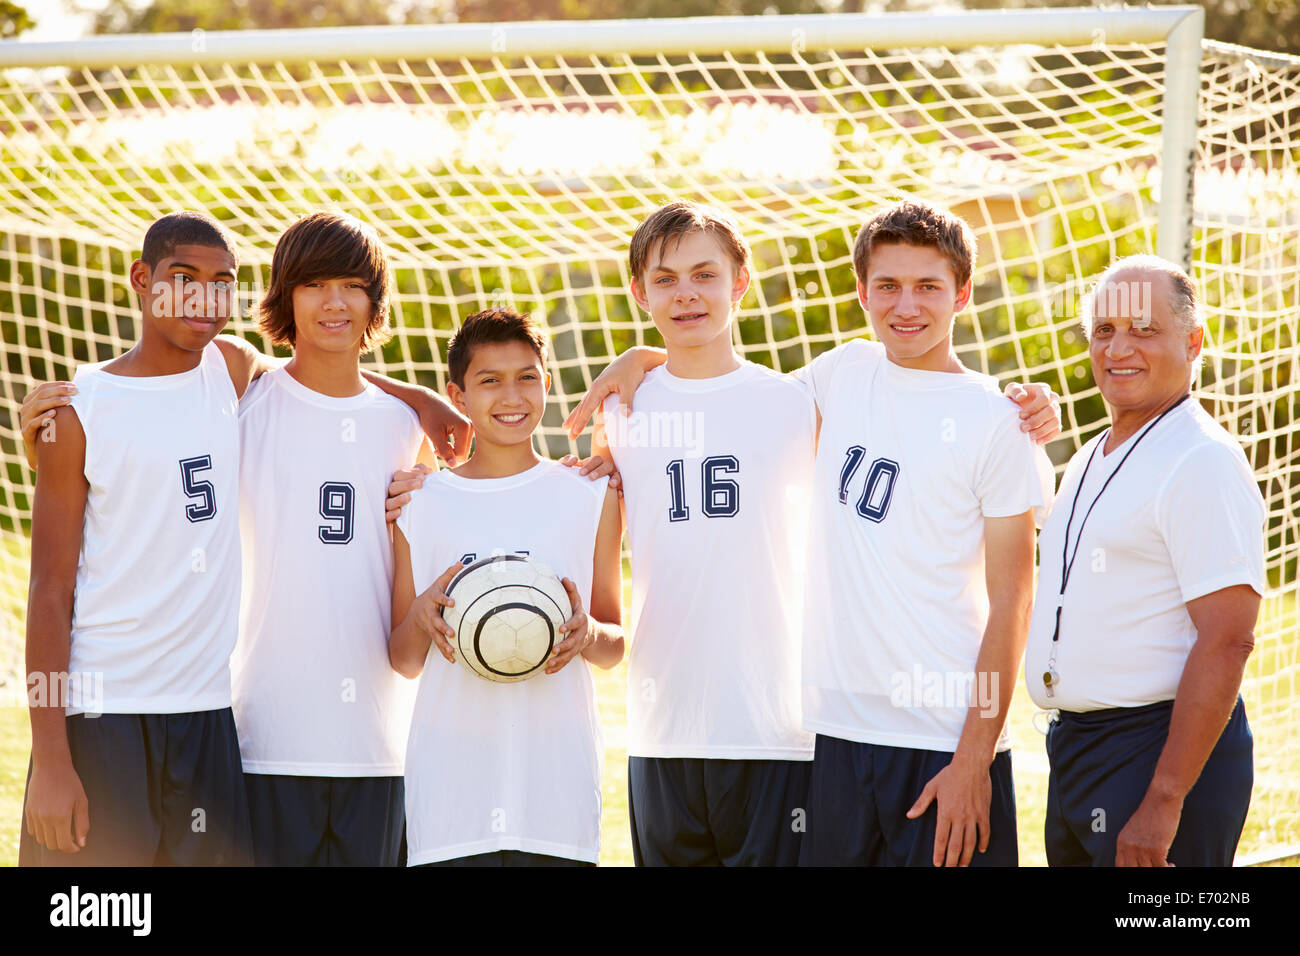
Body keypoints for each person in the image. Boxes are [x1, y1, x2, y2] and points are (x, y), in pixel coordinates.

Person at [565, 199, 1060, 867]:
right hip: (838, 737)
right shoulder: (838, 376)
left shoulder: (995, 419)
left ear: (963, 293)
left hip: (941, 736)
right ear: (861, 292)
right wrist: (639, 356)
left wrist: (975, 758)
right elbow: (715, 376)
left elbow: (1016, 602)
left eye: (927, 287)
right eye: (887, 285)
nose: (905, 305)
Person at [17, 210, 470, 866]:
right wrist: (51, 761)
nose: (203, 296)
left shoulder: (230, 371)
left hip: (207, 721)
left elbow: (327, 382)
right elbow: (47, 590)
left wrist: (421, 399)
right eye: (183, 278)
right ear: (142, 281)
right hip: (104, 714)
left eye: (221, 281)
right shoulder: (88, 408)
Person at [1024, 255, 1264, 867]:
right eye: (1104, 330)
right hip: (1079, 751)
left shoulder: (1201, 460)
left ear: (1193, 341)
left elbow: (1229, 639)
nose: (1118, 347)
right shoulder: (1087, 459)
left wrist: (1164, 799)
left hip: (1155, 752)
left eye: (1142, 329)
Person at [389, 308, 624, 867]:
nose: (510, 395)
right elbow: (402, 659)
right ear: (458, 394)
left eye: (525, 377)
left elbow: (615, 646)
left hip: (556, 792)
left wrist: (588, 635)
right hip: (451, 796)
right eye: (488, 380)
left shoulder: (590, 495)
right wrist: (423, 614)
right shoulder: (418, 504)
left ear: (546, 384)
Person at [232, 211, 431, 866]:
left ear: (375, 300)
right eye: (315, 284)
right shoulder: (242, 406)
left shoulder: (408, 426)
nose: (335, 302)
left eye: (353, 284)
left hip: (378, 741)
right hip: (265, 733)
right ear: (285, 296)